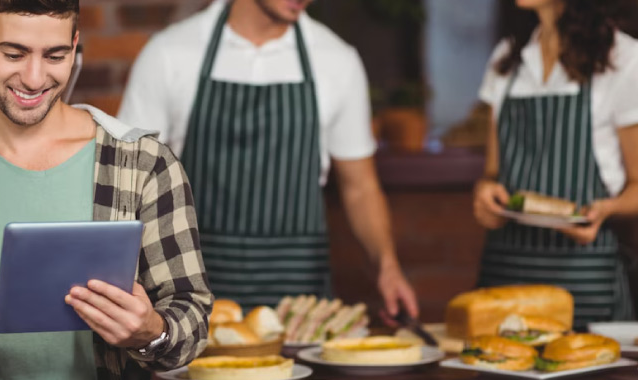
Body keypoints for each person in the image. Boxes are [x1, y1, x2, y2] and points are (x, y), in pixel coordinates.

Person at [0, 1, 212, 379]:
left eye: (55, 55)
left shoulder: (145, 167)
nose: (35, 79)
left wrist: (151, 332)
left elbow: (192, 319)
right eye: (14, 53)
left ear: (74, 45)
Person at [118, 0, 418, 322]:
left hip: (299, 302)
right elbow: (132, 182)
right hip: (190, 295)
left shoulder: (336, 60)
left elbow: (360, 186)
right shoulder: (170, 53)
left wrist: (387, 266)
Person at [473, 0, 638, 327]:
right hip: (504, 281)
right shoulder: (507, 56)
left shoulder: (624, 58)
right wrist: (485, 195)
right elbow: (492, 173)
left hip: (584, 281)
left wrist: (605, 209)